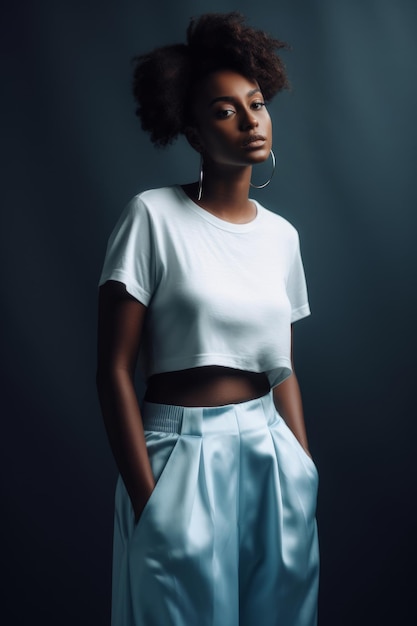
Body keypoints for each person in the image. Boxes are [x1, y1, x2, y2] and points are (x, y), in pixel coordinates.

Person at [96, 12, 319, 626]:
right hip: (179, 456)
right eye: (225, 111)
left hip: (272, 456)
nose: (251, 122)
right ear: (192, 132)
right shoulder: (151, 217)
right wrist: (148, 499)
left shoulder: (281, 238)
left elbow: (283, 368)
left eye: (257, 104)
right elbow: (113, 370)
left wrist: (303, 468)